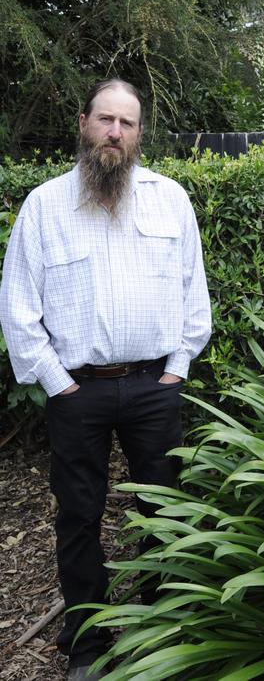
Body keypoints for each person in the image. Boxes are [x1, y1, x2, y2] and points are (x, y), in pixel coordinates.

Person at [0, 79, 212, 681]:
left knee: (163, 509)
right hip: (78, 391)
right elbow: (18, 306)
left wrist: (177, 369)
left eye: (128, 122)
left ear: (140, 133)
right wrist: (56, 381)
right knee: (78, 515)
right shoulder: (45, 206)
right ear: (85, 124)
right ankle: (88, 641)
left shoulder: (170, 200)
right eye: (105, 120)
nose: (115, 133)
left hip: (154, 387)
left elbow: (193, 296)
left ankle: (162, 627)